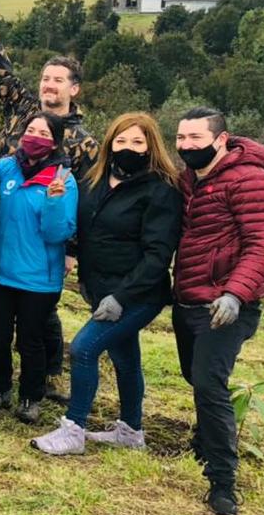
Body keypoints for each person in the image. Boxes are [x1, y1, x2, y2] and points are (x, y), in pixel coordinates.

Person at [0, 0, 98, 406]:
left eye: (57, 80)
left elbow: (84, 202)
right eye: (45, 78)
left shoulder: (82, 142)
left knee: (40, 313)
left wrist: (72, 249)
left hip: (43, 241)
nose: (48, 84)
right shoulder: (22, 110)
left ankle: (50, 374)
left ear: (73, 88)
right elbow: (0, 70)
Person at [31, 112, 182, 456]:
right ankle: (131, 430)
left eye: (137, 142)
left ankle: (73, 429)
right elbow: (83, 228)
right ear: (110, 143)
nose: (128, 148)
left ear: (151, 147)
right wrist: (75, 260)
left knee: (84, 348)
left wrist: (122, 296)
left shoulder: (160, 189)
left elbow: (158, 255)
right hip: (100, 288)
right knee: (126, 359)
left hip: (137, 294)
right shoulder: (96, 180)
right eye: (121, 140)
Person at [171, 107, 264, 515]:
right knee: (193, 375)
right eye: (181, 138)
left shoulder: (253, 180)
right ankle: (204, 437)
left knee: (208, 381)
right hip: (188, 299)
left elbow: (262, 243)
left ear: (220, 139)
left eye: (195, 139)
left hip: (229, 305)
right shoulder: (188, 180)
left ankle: (222, 481)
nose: (186, 146)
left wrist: (235, 293)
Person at [0, 112, 77, 424]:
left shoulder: (63, 179)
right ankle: (0, 389)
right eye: (30, 130)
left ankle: (31, 397)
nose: (34, 136)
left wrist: (53, 202)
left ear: (55, 141)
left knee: (31, 340)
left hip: (38, 279)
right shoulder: (4, 167)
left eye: (43, 132)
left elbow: (58, 233)